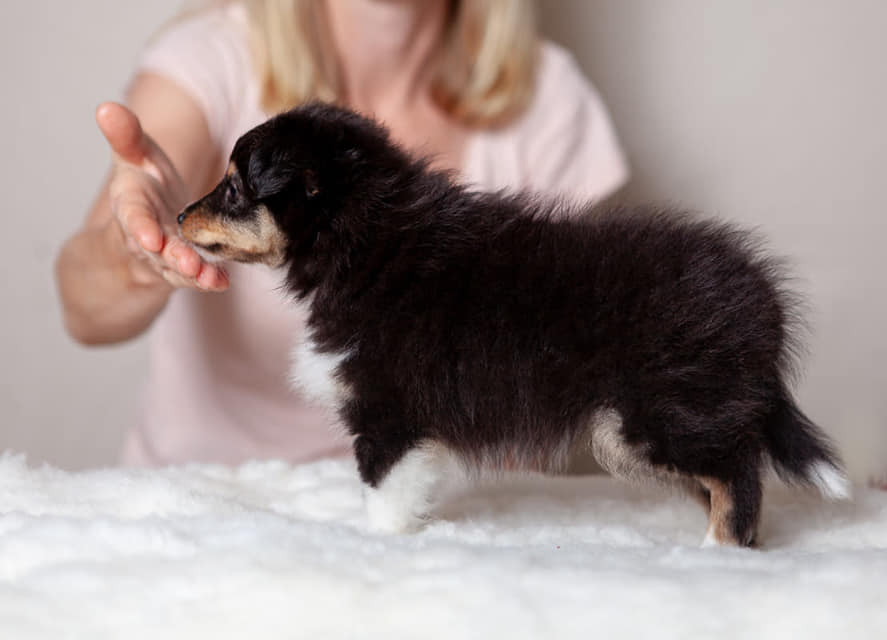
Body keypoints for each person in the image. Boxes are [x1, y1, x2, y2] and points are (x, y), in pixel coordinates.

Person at [55, 0, 629, 467]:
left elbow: (544, 393)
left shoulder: (548, 97)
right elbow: (84, 311)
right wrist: (137, 253)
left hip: (423, 523)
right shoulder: (212, 56)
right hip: (209, 512)